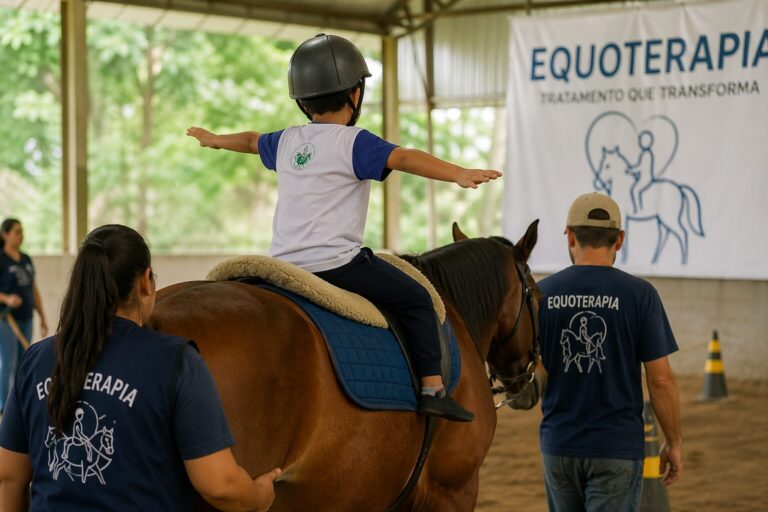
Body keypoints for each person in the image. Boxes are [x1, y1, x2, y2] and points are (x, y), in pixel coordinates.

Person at [187, 33, 501, 422]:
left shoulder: (286, 141)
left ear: (301, 101)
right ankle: (432, 387)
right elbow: (403, 157)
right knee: (417, 299)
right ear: (356, 94)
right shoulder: (355, 143)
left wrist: (215, 140)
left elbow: (251, 140)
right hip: (337, 265)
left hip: (283, 265)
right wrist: (458, 173)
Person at [0, 224, 280, 511]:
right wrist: (259, 496)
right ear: (146, 281)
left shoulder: (35, 359)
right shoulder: (177, 361)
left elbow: (9, 479)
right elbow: (220, 486)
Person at [537, 192, 682, 512]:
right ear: (619, 240)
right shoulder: (641, 295)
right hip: (615, 446)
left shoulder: (543, 294)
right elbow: (660, 381)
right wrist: (673, 441)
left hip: (559, 444)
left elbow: (534, 373)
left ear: (570, 236)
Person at [0, 218, 48, 413]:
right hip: (7, 319)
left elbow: (33, 289)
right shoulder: (1, 259)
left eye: (22, 231)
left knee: (23, 363)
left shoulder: (26, 259)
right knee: (9, 362)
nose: (21, 236)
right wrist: (7, 299)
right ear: (5, 234)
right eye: (17, 232)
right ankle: (4, 407)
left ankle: (19, 404)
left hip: (27, 318)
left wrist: (42, 316)